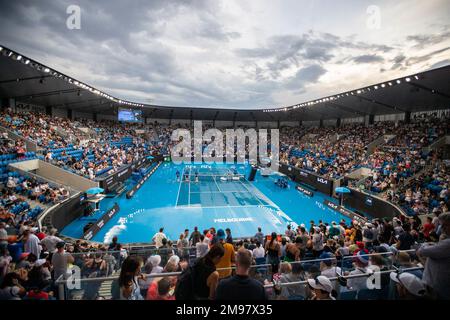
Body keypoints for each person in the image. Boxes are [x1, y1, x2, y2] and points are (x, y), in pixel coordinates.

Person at [417, 212, 450, 299]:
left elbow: (422, 251)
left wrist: (426, 245)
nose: (442, 228)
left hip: (438, 286)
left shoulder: (448, 243)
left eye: (445, 225)